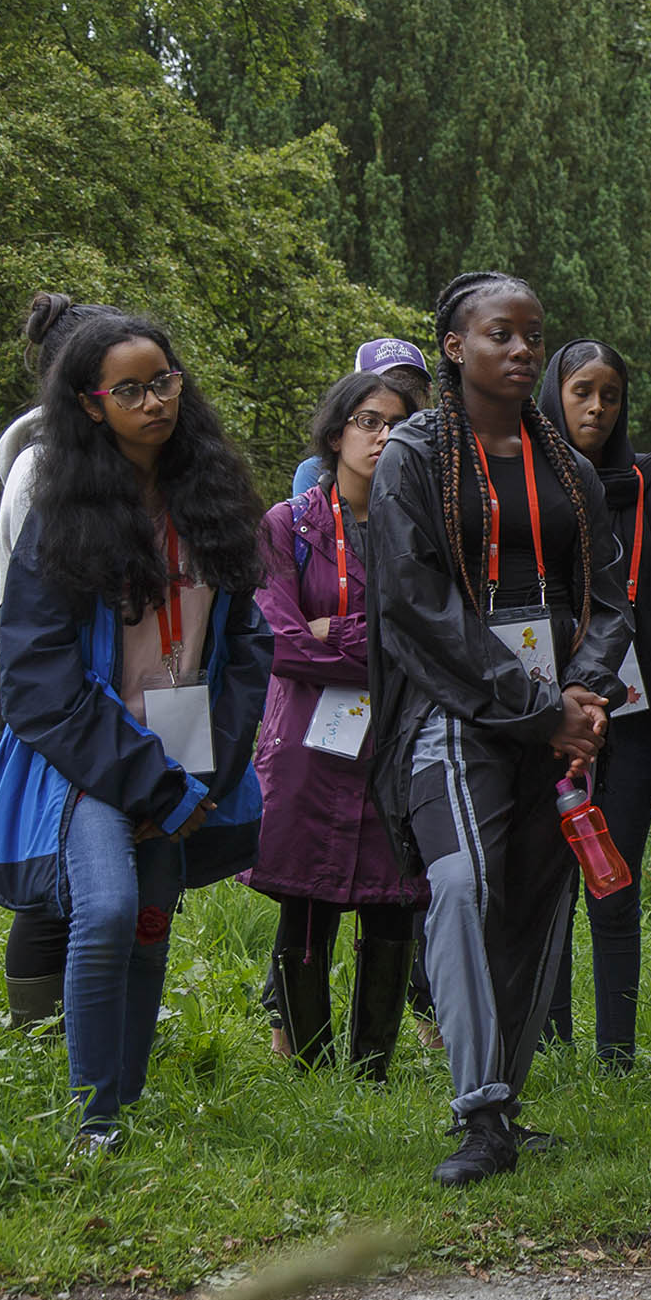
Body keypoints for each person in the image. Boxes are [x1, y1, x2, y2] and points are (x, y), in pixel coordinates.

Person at [364, 272, 632, 1187]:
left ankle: (507, 1104)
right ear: (453, 347)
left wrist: (586, 694)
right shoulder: (411, 456)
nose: (522, 351)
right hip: (453, 712)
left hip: (556, 719)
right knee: (462, 884)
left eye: (532, 336)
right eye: (500, 335)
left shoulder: (567, 466)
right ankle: (477, 1109)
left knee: (532, 900)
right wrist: (534, 702)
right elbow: (415, 605)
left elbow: (607, 595)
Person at [0, 310, 271, 1151]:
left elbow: (248, 649)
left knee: (151, 922)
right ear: (90, 402)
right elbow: (37, 678)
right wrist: (153, 784)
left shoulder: (213, 500)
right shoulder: (61, 510)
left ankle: (123, 1105)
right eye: (131, 390)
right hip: (93, 758)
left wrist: (207, 779)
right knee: (106, 909)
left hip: (189, 753)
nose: (154, 402)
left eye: (165, 381)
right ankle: (92, 1121)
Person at [246, 373, 429, 1078]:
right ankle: (311, 1068)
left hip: (391, 741)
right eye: (368, 420)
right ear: (335, 434)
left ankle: (371, 1068)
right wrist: (377, 641)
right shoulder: (286, 524)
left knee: (393, 902)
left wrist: (339, 632)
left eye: (398, 423)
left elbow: (426, 641)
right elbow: (283, 644)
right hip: (308, 748)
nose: (384, 435)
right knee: (307, 899)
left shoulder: (420, 530)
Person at [537, 339, 651, 1070]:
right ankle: (552, 1045)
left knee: (614, 879)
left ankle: (616, 1054)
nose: (596, 407)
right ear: (553, 395)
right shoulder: (525, 479)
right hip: (543, 713)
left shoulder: (649, 484)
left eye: (611, 395)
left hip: (632, 711)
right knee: (551, 886)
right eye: (581, 391)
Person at [0, 291, 111, 1031]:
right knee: (48, 878)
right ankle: (34, 1040)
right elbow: (42, 605)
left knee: (98, 877)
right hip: (51, 699)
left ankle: (90, 1033)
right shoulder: (41, 468)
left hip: (105, 696)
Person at [290, 339, 430, 497]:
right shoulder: (315, 472)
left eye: (413, 389)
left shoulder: (438, 468)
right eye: (370, 421)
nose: (400, 396)